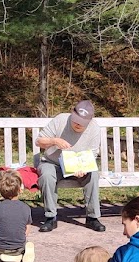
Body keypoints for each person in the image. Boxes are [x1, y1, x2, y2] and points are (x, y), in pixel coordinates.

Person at [35, 99, 106, 233]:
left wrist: (83, 168)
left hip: (79, 165)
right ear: (71, 114)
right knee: (47, 176)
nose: (78, 124)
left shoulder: (95, 128)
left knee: (93, 175)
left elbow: (93, 154)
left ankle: (92, 217)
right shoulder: (60, 120)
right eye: (76, 121)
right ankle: (50, 217)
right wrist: (54, 141)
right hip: (53, 163)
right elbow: (38, 141)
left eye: (82, 123)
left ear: (90, 121)